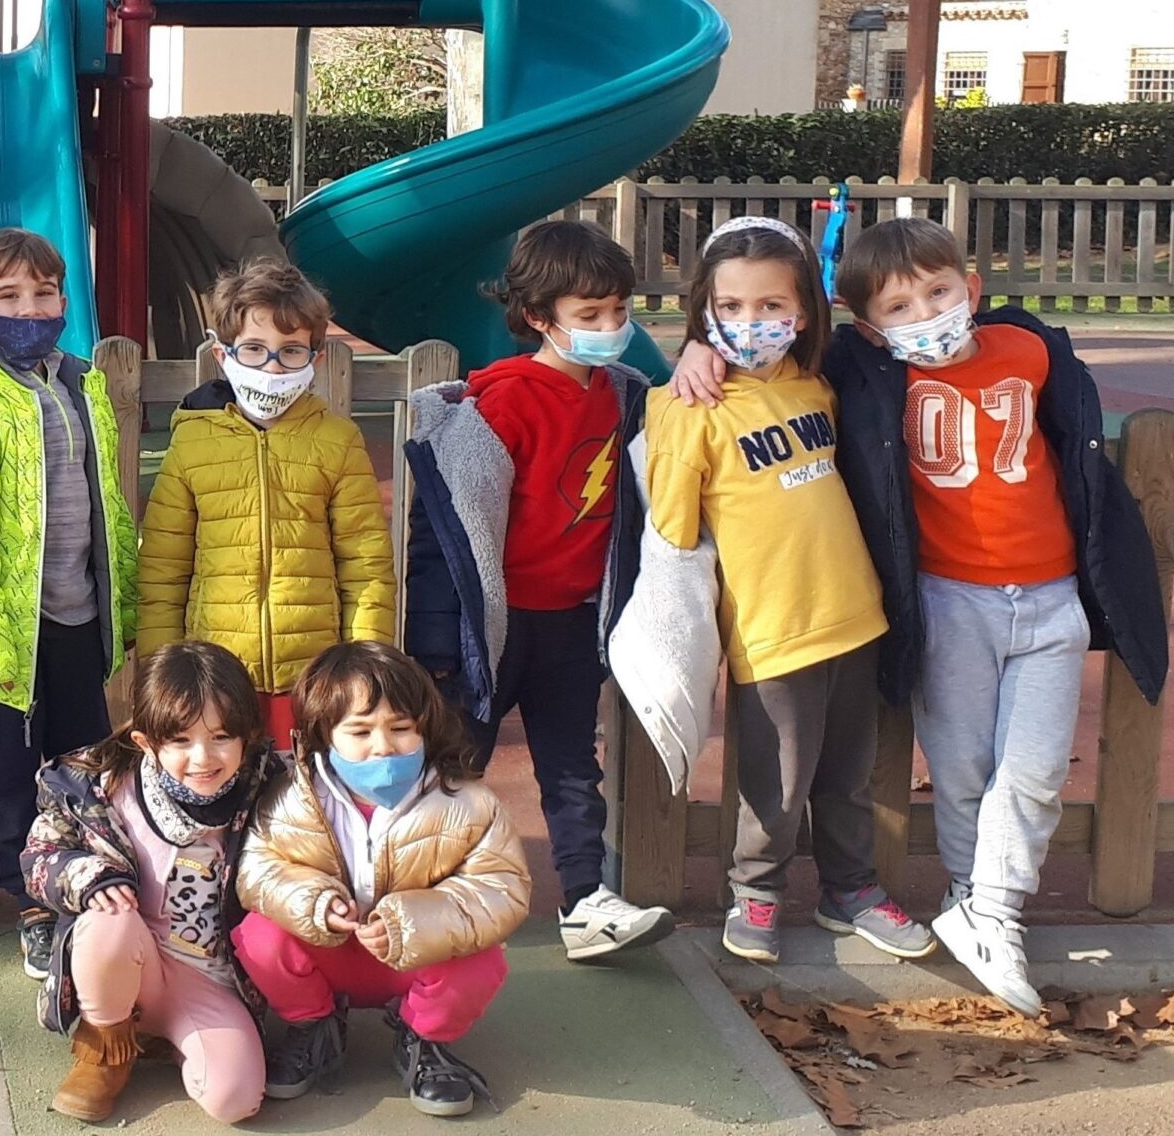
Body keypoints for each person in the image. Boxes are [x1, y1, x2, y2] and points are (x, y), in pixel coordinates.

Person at [670, 217, 1166, 1012]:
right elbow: (770, 336)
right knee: (939, 771)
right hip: (926, 602)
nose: (925, 315)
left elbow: (1068, 436)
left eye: (938, 293)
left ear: (970, 288)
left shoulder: (1027, 350)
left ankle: (983, 908)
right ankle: (966, 905)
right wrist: (698, 345)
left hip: (1030, 600)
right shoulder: (857, 374)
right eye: (899, 307)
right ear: (869, 326)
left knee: (1028, 770)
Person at [640, 218, 932, 967]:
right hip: (771, 630)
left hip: (856, 616)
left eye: (771, 305)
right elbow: (673, 528)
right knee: (776, 780)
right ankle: (757, 891)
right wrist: (688, 373)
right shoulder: (688, 406)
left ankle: (850, 890)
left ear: (803, 312)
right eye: (730, 307)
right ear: (704, 310)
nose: (751, 322)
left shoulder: (816, 386)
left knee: (848, 776)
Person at [404, 220, 675, 961]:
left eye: (619, 310)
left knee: (573, 769)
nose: (611, 328)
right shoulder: (502, 404)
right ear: (538, 316)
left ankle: (586, 902)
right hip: (490, 627)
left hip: (573, 623)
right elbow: (445, 530)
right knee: (455, 766)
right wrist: (436, 639)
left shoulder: (626, 397)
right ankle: (426, 890)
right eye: (590, 314)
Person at [0, 228, 138, 982]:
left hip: (78, 615)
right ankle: (34, 903)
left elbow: (109, 503)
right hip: (2, 635)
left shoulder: (82, 385)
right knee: (9, 781)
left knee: (86, 766)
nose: (32, 309)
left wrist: (120, 602)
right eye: (9, 296)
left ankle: (90, 888)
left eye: (45, 293)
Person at [236, 641, 527, 1120]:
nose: (383, 746)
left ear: (425, 727)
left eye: (401, 728)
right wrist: (315, 905)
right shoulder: (291, 797)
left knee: (483, 960)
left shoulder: (469, 802)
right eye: (359, 730)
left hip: (418, 956)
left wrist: (410, 922)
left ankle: (424, 1040)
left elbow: (501, 888)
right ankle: (314, 1024)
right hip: (331, 950)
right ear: (324, 734)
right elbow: (257, 869)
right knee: (258, 936)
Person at [21, 641, 285, 1126]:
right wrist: (90, 876)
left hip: (208, 973)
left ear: (247, 737)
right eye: (180, 740)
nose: (202, 757)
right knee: (109, 916)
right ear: (146, 742)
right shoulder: (96, 785)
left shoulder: (269, 787)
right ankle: (106, 1045)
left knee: (235, 1100)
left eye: (221, 737)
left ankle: (173, 1036)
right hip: (128, 955)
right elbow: (41, 856)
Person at [137, 260, 392, 745]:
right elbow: (163, 572)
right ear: (223, 354)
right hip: (214, 678)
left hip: (313, 677)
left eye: (291, 351)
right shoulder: (192, 443)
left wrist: (365, 663)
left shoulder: (338, 441)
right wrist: (160, 669)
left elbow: (366, 567)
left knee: (304, 787)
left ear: (315, 359)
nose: (272, 367)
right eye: (254, 349)